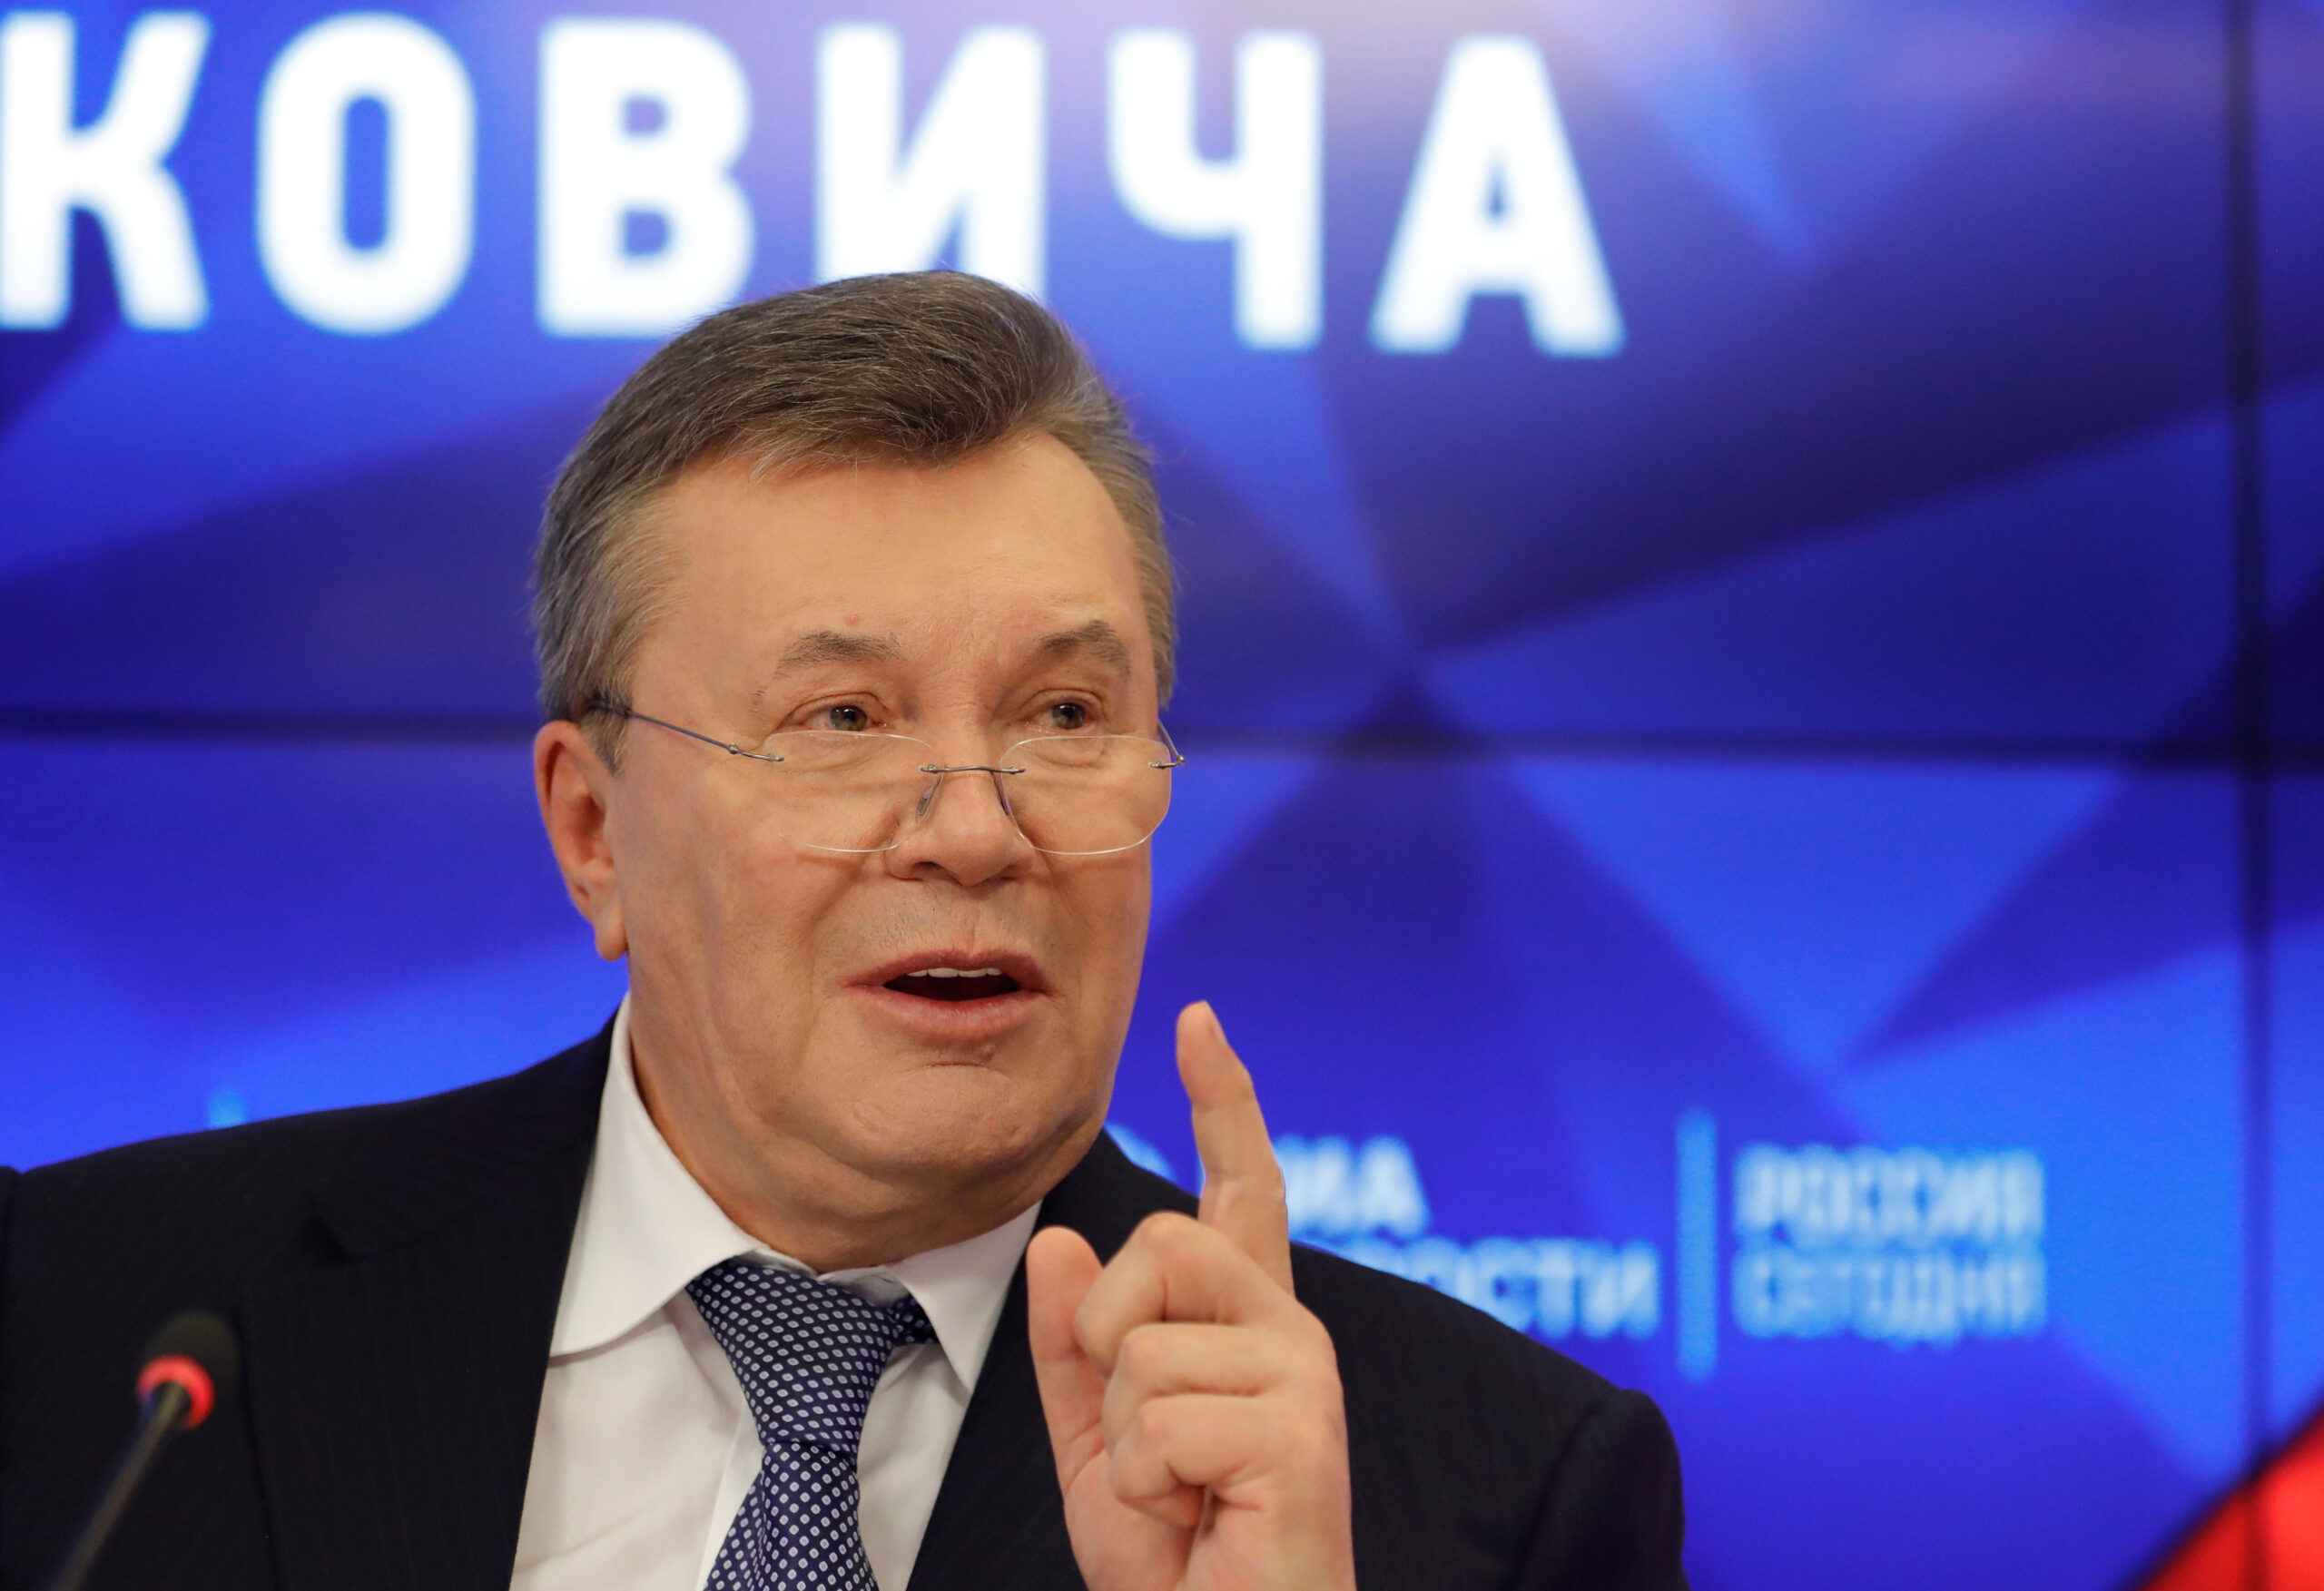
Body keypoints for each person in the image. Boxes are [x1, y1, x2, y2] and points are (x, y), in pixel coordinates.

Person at [0, 272, 1688, 1591]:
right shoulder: (92, 1332)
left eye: (1066, 713)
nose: (976, 829)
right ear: (594, 831)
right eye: (842, 719)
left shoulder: (1486, 1493)